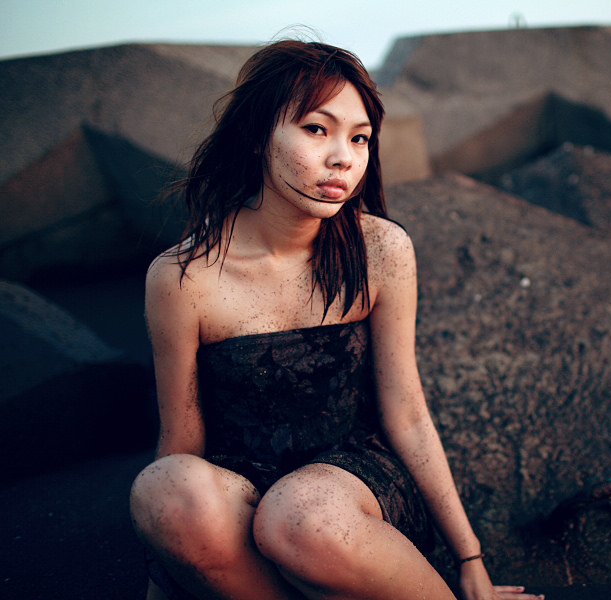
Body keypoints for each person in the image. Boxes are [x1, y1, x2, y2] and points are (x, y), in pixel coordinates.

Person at [129, 39, 544, 600]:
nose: (343, 158)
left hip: (352, 486)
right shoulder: (183, 278)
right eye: (316, 129)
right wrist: (167, 573)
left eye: (359, 138)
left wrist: (470, 560)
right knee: (162, 488)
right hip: (240, 486)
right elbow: (181, 440)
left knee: (302, 516)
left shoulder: (381, 250)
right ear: (257, 136)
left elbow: (407, 412)